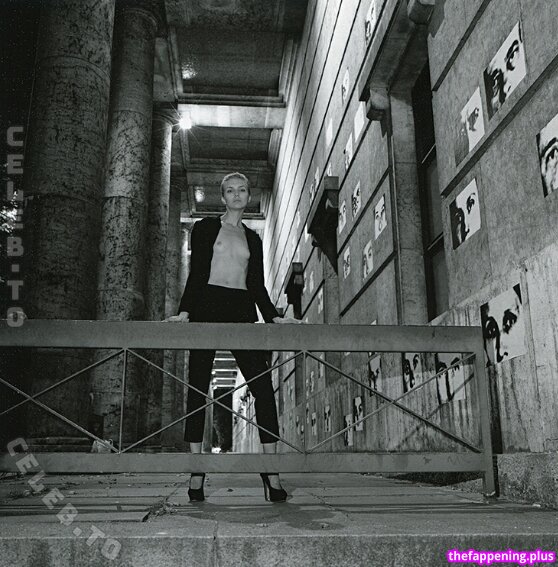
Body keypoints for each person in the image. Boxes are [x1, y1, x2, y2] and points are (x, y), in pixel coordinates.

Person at [166, 172, 300, 503]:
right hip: (207, 306)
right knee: (198, 388)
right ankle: (197, 471)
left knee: (263, 390)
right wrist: (185, 311)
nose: (236, 195)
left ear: (249, 195)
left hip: (241, 309)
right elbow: (197, 272)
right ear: (223, 196)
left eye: (242, 190)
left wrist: (273, 316)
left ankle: (271, 472)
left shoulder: (253, 239)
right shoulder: (204, 228)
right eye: (230, 190)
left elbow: (256, 284)